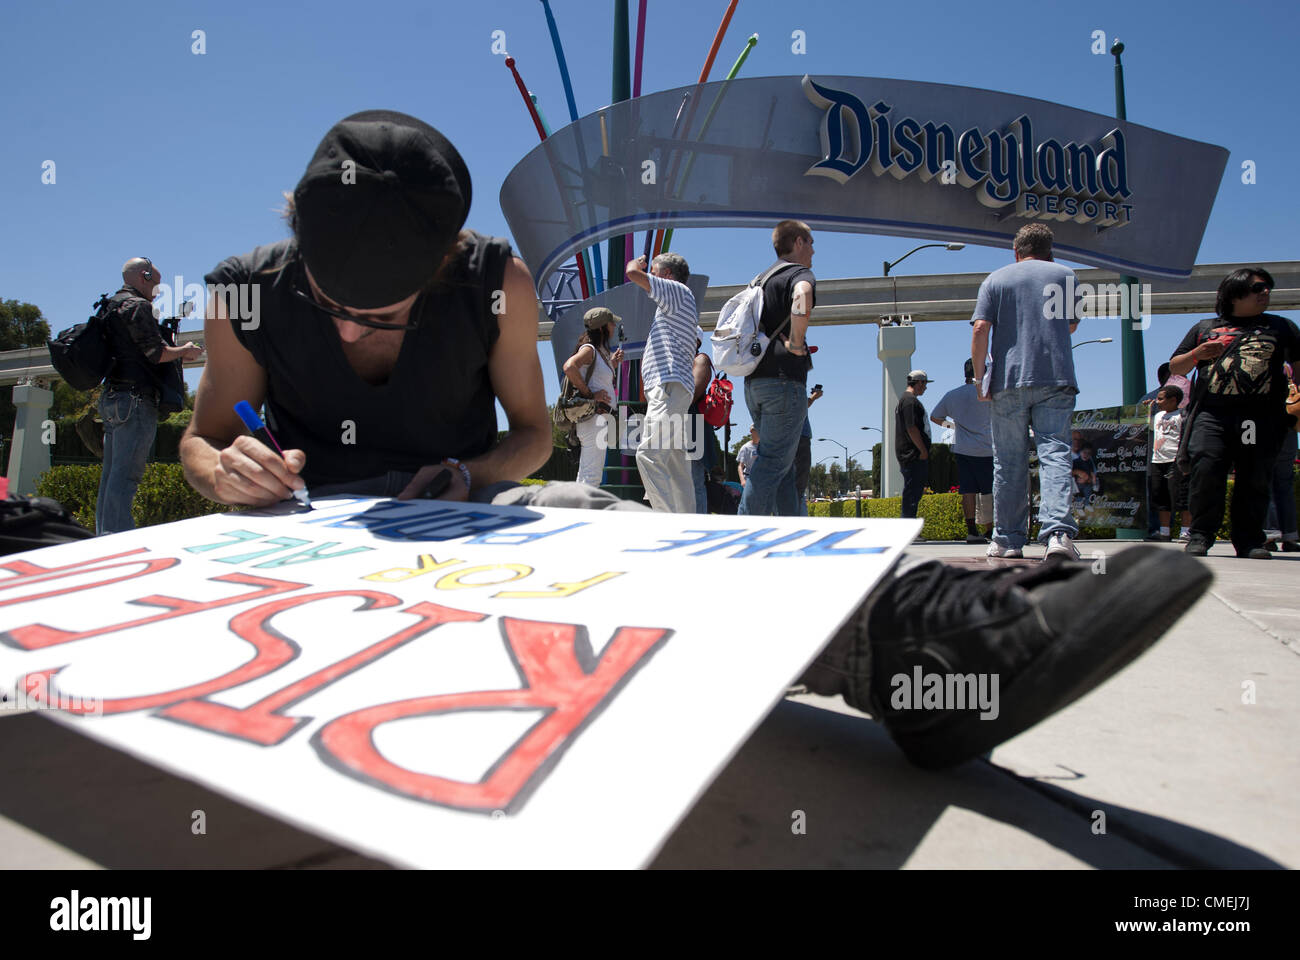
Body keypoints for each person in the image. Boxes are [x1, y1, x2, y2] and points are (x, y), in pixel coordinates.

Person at [179, 110, 1213, 773]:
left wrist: (469, 471)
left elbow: (535, 438)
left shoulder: (498, 281)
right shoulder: (245, 288)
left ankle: (910, 647)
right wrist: (225, 469)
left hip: (459, 515)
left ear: (447, 259)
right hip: (303, 534)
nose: (356, 332)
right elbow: (203, 436)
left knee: (597, 520)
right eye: (334, 308)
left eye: (389, 314)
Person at [1170, 267, 1300, 558]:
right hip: (1212, 415)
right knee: (1206, 469)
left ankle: (1250, 540)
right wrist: (1196, 355)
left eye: (1268, 287)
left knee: (1254, 475)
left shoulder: (1282, 327)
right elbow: (1175, 367)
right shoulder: (1204, 327)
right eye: (1257, 288)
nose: (1265, 292)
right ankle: (1200, 536)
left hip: (1257, 417)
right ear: (1234, 294)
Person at [971, 223, 1081, 561]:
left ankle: (1006, 539)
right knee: (1055, 454)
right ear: (1051, 251)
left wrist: (979, 379)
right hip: (1055, 377)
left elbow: (980, 329)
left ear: (1015, 252)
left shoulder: (996, 279)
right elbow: (1072, 324)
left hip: (1008, 380)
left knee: (1008, 461)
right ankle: (1058, 535)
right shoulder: (1066, 275)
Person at [97, 256, 205, 534]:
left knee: (110, 477)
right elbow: (155, 353)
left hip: (111, 398)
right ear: (143, 277)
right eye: (155, 284)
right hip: (135, 400)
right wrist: (185, 350)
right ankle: (116, 545)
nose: (157, 291)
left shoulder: (109, 305)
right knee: (126, 478)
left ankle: (102, 538)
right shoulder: (138, 306)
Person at [738, 220, 816, 517]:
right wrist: (796, 342)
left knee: (783, 464)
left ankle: (791, 532)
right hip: (784, 381)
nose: (813, 250)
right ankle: (743, 535)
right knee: (773, 462)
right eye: (810, 242)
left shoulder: (760, 279)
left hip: (754, 381)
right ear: (797, 242)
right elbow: (802, 297)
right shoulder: (799, 274)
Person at [626, 252, 698, 512]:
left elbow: (633, 273)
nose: (651, 278)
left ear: (667, 275)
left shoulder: (676, 291)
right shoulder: (680, 303)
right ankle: (686, 522)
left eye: (655, 272)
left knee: (648, 454)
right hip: (674, 388)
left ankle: (665, 520)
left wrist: (640, 264)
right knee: (675, 463)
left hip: (668, 386)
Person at [931, 359, 993, 543]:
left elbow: (935, 416)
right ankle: (990, 529)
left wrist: (953, 426)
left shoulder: (953, 395)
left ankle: (971, 530)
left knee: (968, 491)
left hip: (963, 449)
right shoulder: (988, 393)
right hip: (987, 448)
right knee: (988, 491)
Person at [562, 308, 624, 487]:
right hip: (595, 418)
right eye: (611, 323)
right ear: (603, 327)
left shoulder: (597, 351)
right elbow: (569, 367)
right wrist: (590, 395)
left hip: (595, 419)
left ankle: (577, 512)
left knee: (586, 474)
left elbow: (595, 375)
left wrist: (612, 363)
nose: (614, 326)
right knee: (591, 477)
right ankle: (583, 515)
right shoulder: (589, 349)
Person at [1146, 384, 1190, 541]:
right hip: (1158, 460)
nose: (1158, 401)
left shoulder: (1182, 416)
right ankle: (1164, 532)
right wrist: (1148, 409)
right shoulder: (1158, 416)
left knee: (1181, 496)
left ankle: (1185, 531)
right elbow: (1148, 427)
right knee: (1160, 496)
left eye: (1160, 398)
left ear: (1173, 400)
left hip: (1175, 460)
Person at [1263, 362, 1298, 551]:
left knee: (1263, 481)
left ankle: (1269, 533)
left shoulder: (1264, 364)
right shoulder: (1290, 369)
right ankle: (1290, 536)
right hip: (1289, 429)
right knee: (1284, 484)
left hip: (1265, 427)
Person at [895, 370, 931, 521]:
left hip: (910, 454)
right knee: (912, 492)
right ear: (919, 382)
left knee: (913, 492)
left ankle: (908, 523)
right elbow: (911, 428)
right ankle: (907, 526)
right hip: (913, 454)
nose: (925, 388)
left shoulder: (906, 400)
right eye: (924, 384)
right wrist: (922, 450)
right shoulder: (910, 401)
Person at [689, 329, 716, 513]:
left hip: (693, 427)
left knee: (693, 481)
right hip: (681, 425)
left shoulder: (700, 360)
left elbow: (691, 395)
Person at [795, 384, 824, 514]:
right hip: (799, 436)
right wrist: (813, 397)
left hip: (784, 436)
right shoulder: (793, 383)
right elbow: (800, 406)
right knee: (799, 485)